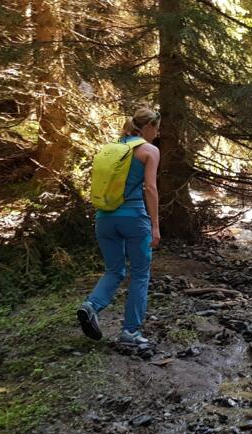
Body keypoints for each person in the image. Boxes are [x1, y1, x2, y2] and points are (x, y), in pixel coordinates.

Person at [77, 108, 161, 344]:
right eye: (157, 128)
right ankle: (130, 332)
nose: (157, 133)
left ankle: (91, 306)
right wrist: (155, 226)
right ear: (148, 127)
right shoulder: (149, 151)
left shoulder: (112, 149)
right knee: (140, 274)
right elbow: (150, 188)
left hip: (104, 218)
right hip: (133, 218)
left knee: (114, 270)